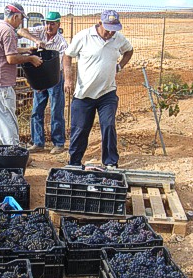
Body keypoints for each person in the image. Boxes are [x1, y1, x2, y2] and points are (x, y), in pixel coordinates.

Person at [63, 10, 133, 168]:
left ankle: (110, 163)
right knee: (80, 130)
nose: (110, 32)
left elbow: (129, 50)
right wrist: (68, 79)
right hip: (84, 95)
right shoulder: (84, 36)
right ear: (99, 23)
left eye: (113, 29)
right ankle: (74, 163)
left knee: (108, 126)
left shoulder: (118, 38)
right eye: (107, 28)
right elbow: (67, 56)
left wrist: (120, 66)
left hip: (107, 93)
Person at [0, 2, 42, 145]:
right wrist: (31, 58)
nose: (21, 22)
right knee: (8, 122)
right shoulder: (9, 32)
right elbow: (11, 58)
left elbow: (3, 50)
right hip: (0, 84)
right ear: (15, 16)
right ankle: (14, 156)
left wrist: (25, 50)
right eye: (21, 18)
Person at [17, 11, 68, 154]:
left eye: (52, 23)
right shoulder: (40, 31)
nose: (49, 26)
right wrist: (36, 40)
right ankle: (38, 143)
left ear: (58, 24)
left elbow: (62, 64)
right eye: (47, 23)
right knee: (36, 110)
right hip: (40, 76)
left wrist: (48, 81)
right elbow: (21, 30)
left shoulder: (61, 43)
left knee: (56, 110)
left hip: (54, 78)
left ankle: (58, 143)